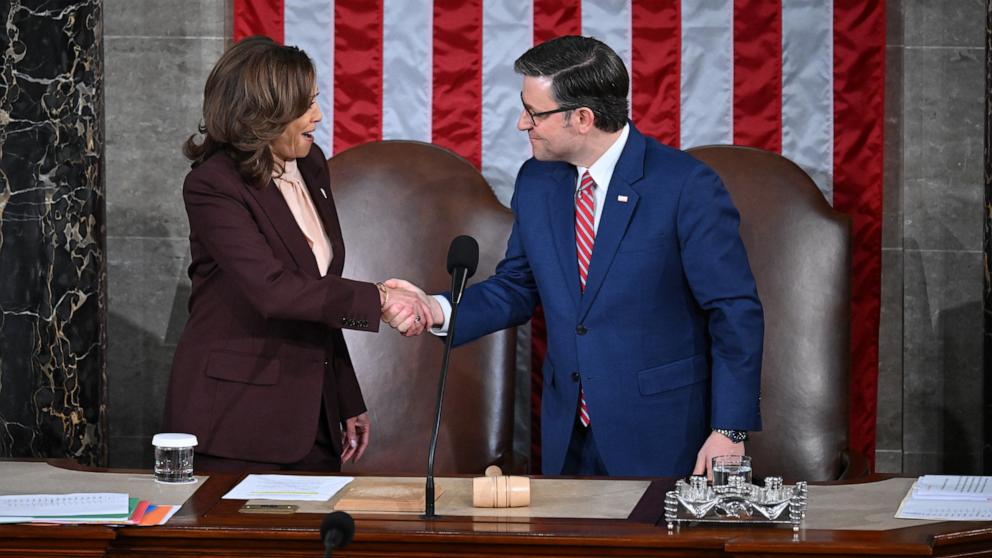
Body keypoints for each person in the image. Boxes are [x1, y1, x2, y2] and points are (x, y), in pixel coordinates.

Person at [385, 36, 763, 477]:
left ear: (582, 118)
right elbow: (518, 285)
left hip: (663, 437)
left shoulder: (686, 187)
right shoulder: (538, 180)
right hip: (568, 436)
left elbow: (734, 311)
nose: (521, 124)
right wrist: (437, 309)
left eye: (534, 112)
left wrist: (730, 430)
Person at [164, 36, 433, 472]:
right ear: (261, 113)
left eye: (315, 101)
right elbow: (274, 292)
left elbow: (318, 291)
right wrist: (380, 299)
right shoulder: (213, 186)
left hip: (316, 420)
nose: (318, 116)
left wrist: (345, 396)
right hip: (239, 422)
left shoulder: (310, 164)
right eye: (303, 106)